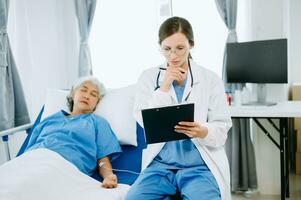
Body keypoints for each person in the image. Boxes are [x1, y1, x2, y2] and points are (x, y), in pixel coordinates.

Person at [126, 17, 232, 200]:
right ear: (160, 46)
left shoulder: (210, 79)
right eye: (167, 49)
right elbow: (145, 121)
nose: (173, 56)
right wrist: (164, 87)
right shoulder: (148, 77)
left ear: (191, 44)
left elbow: (221, 128)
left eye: (180, 48)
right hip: (160, 166)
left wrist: (203, 130)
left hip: (198, 166)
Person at [24, 76, 122, 188]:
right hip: (33, 160)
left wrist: (108, 176)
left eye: (93, 94)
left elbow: (102, 159)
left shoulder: (97, 122)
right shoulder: (48, 120)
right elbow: (27, 152)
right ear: (72, 94)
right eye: (83, 90)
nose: (87, 96)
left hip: (62, 166)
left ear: (97, 102)